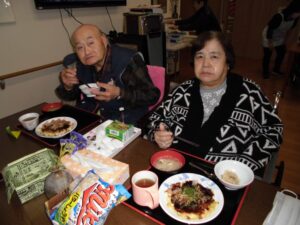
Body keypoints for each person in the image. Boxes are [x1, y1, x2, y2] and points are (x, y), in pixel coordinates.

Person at [146, 31, 283, 174]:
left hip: (226, 179)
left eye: (214, 56)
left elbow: (274, 130)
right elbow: (154, 120)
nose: (205, 64)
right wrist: (158, 134)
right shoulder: (182, 91)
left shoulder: (249, 93)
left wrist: (245, 163)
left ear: (228, 63)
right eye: (200, 56)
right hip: (173, 170)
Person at [55, 24, 160, 125]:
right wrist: (67, 86)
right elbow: (70, 96)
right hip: (91, 118)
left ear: (104, 40)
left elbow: (151, 95)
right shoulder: (78, 65)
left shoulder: (127, 60)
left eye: (91, 43)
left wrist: (119, 92)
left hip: (124, 120)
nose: (86, 52)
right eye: (80, 47)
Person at [262, 1, 300, 78]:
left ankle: (276, 70)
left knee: (282, 52)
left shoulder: (295, 19)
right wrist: (270, 43)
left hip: (279, 36)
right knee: (268, 54)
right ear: (293, 10)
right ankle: (265, 72)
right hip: (268, 36)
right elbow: (270, 29)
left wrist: (285, 40)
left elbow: (289, 30)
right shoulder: (278, 17)